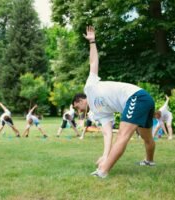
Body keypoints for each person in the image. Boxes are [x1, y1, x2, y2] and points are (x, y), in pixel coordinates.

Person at [72, 26, 156, 178]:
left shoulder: (89, 88)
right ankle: (149, 161)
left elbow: (93, 63)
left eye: (77, 106)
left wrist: (92, 42)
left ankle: (102, 172)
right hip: (143, 100)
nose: (79, 110)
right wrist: (105, 154)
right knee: (147, 137)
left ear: (80, 100)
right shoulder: (98, 113)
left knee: (123, 134)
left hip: (137, 97)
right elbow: (107, 133)